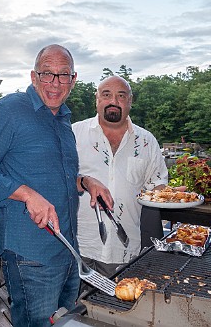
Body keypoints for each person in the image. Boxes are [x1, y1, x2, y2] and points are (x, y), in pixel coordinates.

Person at [0, 44, 112, 327]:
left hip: (69, 250)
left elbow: (54, 175)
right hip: (31, 255)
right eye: (48, 74)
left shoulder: (63, 119)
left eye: (63, 75)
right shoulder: (10, 109)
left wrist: (85, 181)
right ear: (34, 77)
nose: (55, 84)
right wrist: (26, 194)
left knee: (66, 323)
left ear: (74, 79)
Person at [72, 76, 169, 278]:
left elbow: (157, 187)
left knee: (115, 306)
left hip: (124, 248)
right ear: (97, 99)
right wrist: (83, 181)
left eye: (121, 96)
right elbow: (56, 178)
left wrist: (170, 194)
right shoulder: (73, 134)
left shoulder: (147, 141)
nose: (113, 101)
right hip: (77, 245)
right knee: (74, 307)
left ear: (130, 101)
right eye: (106, 94)